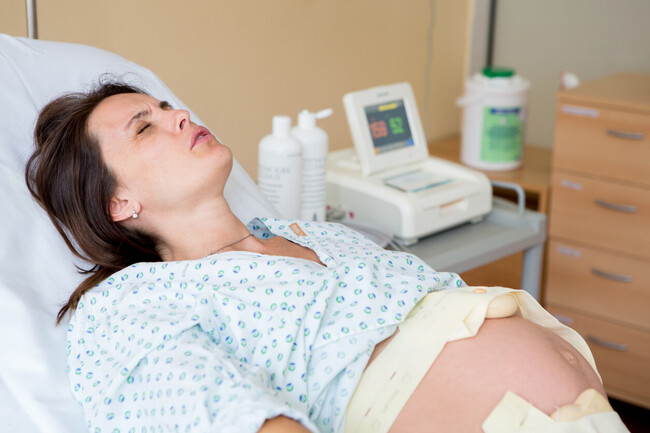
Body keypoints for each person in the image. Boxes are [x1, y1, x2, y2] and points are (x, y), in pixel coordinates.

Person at [25, 81, 629, 433]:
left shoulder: (309, 234)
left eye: (165, 107)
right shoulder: (129, 305)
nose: (179, 115)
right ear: (118, 202)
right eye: (144, 127)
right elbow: (219, 414)